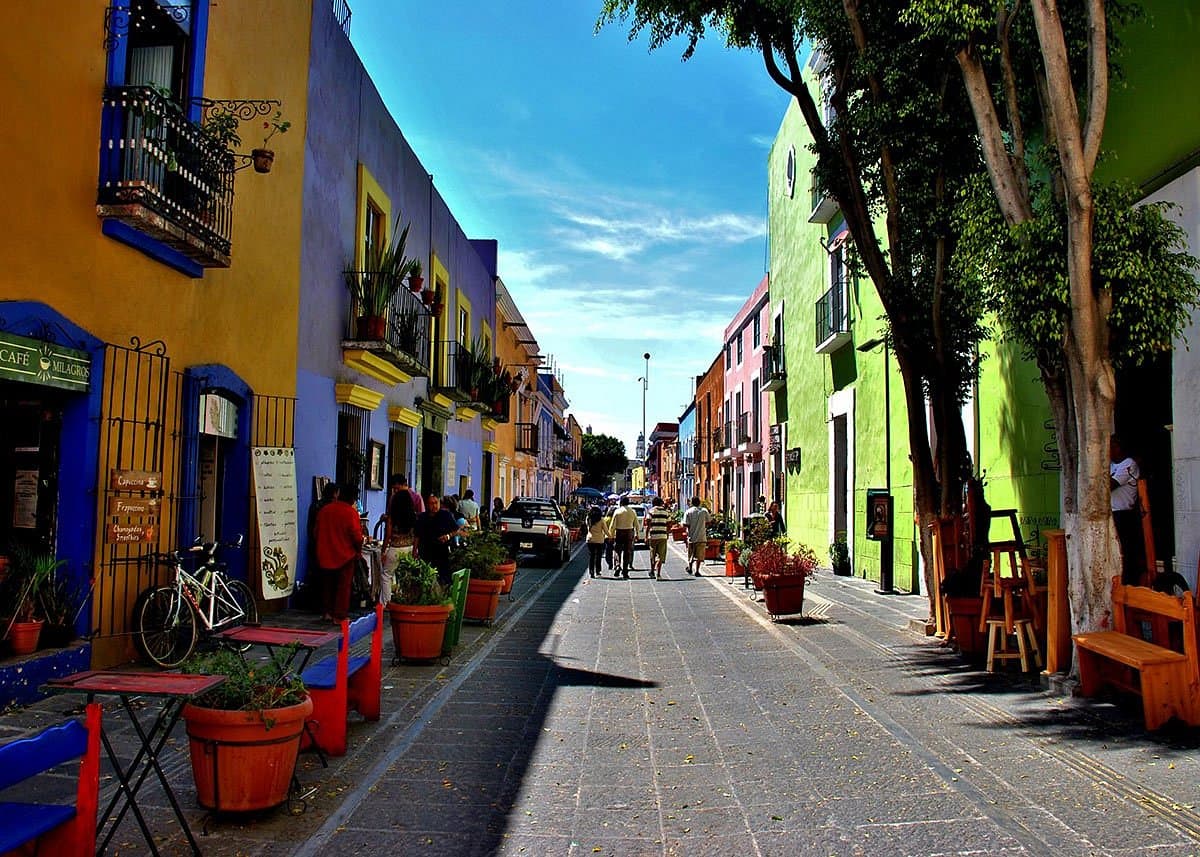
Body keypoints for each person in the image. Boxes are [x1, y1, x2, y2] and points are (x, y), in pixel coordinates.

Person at [314, 483, 364, 622]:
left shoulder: (325, 510)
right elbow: (357, 536)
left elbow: (316, 532)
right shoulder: (350, 513)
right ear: (353, 499)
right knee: (343, 587)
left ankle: (327, 612)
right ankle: (339, 616)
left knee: (327, 586)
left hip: (325, 553)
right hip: (345, 555)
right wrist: (358, 550)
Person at [1110, 435, 1145, 585]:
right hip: (1111, 514)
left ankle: (1129, 585)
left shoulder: (1128, 463)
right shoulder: (1111, 464)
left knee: (1127, 553)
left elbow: (1110, 484)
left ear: (1118, 447)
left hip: (1123, 515)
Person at [380, 477, 417, 603]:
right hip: (409, 547)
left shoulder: (393, 516)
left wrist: (383, 551)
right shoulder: (412, 514)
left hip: (395, 548)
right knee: (404, 576)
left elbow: (388, 535)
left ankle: (385, 603)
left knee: (386, 575)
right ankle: (404, 600)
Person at [415, 493, 460, 585]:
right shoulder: (422, 517)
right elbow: (417, 535)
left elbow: (456, 529)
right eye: (431, 503)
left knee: (443, 578)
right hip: (426, 552)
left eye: (436, 503)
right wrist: (414, 550)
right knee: (426, 578)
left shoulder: (445, 515)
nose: (434, 506)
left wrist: (448, 536)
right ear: (427, 505)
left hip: (441, 552)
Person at [610, 497, 641, 578]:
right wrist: (637, 534)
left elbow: (612, 525)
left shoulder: (617, 511)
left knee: (617, 550)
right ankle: (625, 571)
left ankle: (617, 565)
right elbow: (636, 524)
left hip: (619, 531)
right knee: (627, 552)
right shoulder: (632, 511)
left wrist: (611, 535)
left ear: (621, 503)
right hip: (629, 532)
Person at [683, 496, 712, 577]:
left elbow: (685, 524)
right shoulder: (704, 511)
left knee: (691, 553)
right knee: (700, 555)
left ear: (692, 503)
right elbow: (709, 521)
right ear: (699, 502)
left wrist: (691, 527)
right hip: (701, 536)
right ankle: (697, 570)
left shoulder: (688, 512)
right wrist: (703, 526)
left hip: (691, 536)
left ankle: (690, 567)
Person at [645, 496, 672, 580]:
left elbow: (648, 524)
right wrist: (667, 533)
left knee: (652, 554)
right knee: (661, 555)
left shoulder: (651, 511)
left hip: (653, 536)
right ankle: (658, 574)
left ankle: (652, 570)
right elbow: (669, 524)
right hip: (663, 536)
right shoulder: (666, 512)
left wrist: (646, 536)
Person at [585, 505, 609, 579]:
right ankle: (598, 570)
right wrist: (610, 536)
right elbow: (605, 530)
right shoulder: (601, 520)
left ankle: (591, 571)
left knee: (591, 556)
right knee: (598, 556)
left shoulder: (588, 519)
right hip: (599, 540)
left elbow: (587, 527)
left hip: (590, 539)